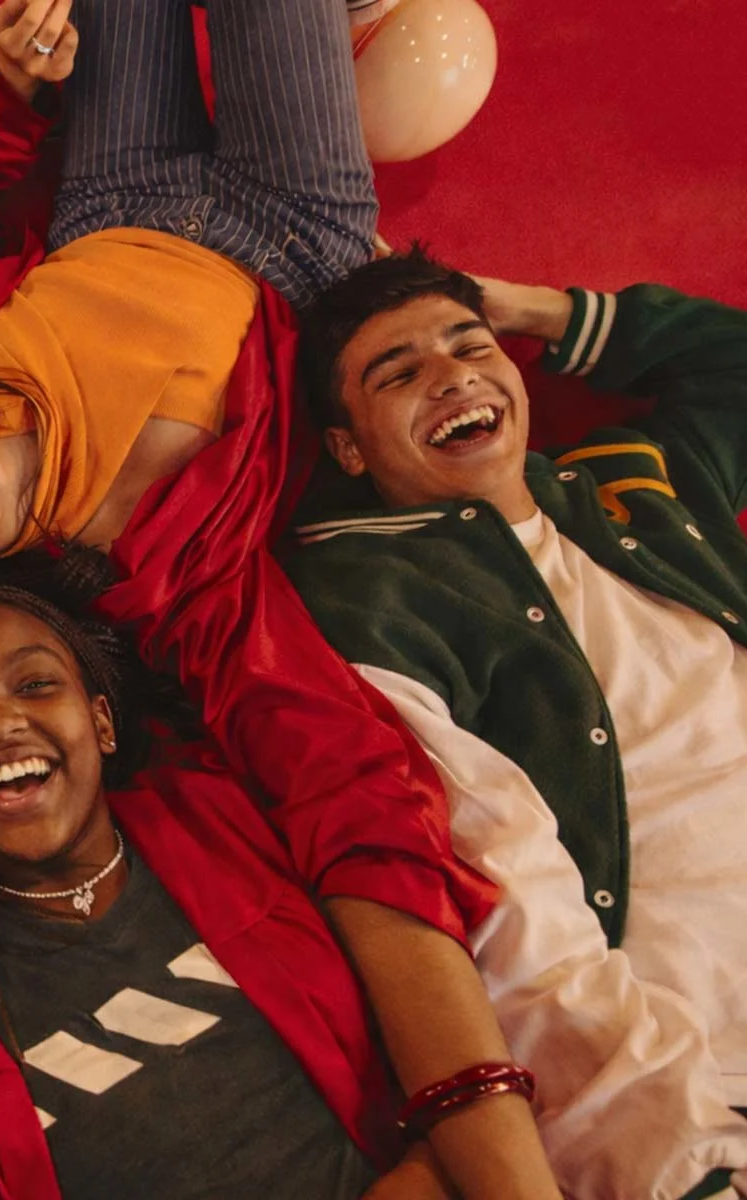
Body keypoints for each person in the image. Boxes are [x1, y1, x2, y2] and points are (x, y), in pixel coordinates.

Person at [0, 3, 558, 1194]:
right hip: (296, 237)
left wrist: (5, 83)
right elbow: (337, 767)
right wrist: (476, 1120)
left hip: (109, 199)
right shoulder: (160, 576)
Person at [283, 248, 747, 1200]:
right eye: (399, 372)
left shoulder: (635, 484)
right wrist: (676, 1163)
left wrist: (530, 310)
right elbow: (508, 900)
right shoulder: (365, 595)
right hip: (708, 1081)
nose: (452, 374)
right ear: (348, 449)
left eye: (468, 348)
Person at [0, 583, 474, 1197]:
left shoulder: (232, 819)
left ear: (103, 723)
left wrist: (428, 1172)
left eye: (34, 684)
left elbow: (432, 990)